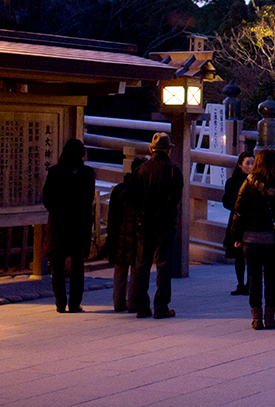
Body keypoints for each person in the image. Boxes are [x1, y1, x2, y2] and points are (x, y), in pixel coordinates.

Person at [231, 148, 275, 329]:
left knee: (254, 278)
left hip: (251, 239)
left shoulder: (249, 183)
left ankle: (256, 318)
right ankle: (270, 318)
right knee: (272, 278)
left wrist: (236, 236)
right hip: (272, 240)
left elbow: (238, 211)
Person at [132, 132, 184, 319]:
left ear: (150, 148)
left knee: (142, 264)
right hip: (164, 223)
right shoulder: (173, 171)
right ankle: (161, 306)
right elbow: (173, 199)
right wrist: (159, 214)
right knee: (163, 264)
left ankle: (141, 306)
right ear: (169, 150)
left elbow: (133, 198)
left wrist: (144, 214)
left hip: (144, 223)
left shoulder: (140, 170)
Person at [42, 138, 96, 313]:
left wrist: (58, 211)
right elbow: (89, 198)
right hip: (79, 224)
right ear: (82, 154)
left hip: (59, 223)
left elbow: (47, 199)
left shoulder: (55, 172)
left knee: (57, 264)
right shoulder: (88, 173)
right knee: (77, 265)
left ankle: (59, 303)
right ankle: (74, 303)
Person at [105, 155, 146, 313]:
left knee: (120, 270)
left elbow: (112, 215)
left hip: (119, 234)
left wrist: (111, 235)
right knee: (136, 270)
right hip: (136, 234)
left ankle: (118, 302)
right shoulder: (142, 190)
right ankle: (133, 303)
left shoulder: (119, 189)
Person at [223, 151, 254, 296]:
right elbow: (226, 200)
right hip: (237, 220)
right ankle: (240, 283)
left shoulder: (256, 181)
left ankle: (250, 283)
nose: (250, 166)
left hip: (252, 221)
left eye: (253, 163)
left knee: (251, 255)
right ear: (240, 164)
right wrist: (238, 205)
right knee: (239, 255)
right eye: (247, 163)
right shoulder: (232, 182)